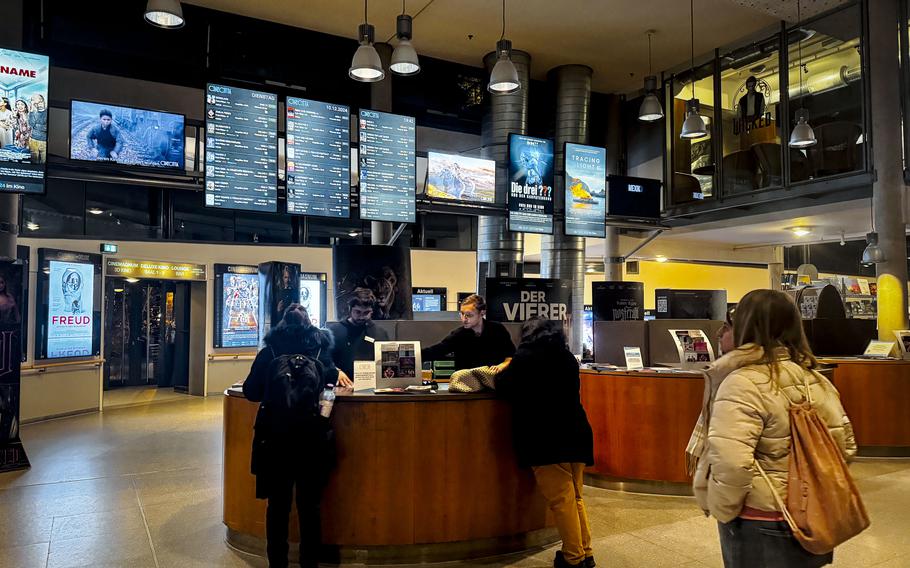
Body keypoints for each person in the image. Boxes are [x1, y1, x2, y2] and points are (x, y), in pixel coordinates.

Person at [699, 290, 856, 568]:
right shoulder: (817, 379)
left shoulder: (741, 383)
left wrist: (724, 510)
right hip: (813, 515)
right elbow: (845, 445)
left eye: (728, 325)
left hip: (760, 518)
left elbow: (732, 462)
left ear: (745, 327)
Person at [243, 304, 339, 568]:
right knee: (310, 507)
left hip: (274, 439)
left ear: (280, 324)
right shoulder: (321, 350)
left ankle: (278, 562)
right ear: (310, 323)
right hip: (311, 438)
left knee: (277, 506)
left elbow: (251, 392)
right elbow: (331, 387)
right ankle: (309, 563)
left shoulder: (269, 351)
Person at [495, 317, 595, 568]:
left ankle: (573, 558)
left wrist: (506, 366)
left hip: (547, 439)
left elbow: (503, 387)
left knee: (562, 501)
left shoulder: (525, 358)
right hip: (576, 433)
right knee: (575, 498)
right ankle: (585, 552)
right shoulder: (567, 358)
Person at [421, 294, 515, 372]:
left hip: (494, 384)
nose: (464, 319)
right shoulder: (459, 335)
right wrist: (414, 356)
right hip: (468, 386)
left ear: (482, 313)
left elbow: (511, 355)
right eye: (462, 314)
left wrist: (502, 365)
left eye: (469, 315)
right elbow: (437, 350)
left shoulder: (498, 330)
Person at [327, 288, 388, 386]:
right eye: (358, 312)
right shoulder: (334, 331)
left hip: (372, 387)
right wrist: (335, 371)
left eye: (366, 313)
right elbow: (324, 359)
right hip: (340, 387)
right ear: (350, 309)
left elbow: (387, 363)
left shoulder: (380, 333)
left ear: (372, 311)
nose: (361, 317)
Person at [27, 94, 47, 163]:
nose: (39, 104)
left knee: (43, 162)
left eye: (40, 101)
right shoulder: (33, 113)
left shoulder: (48, 112)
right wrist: (32, 110)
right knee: (34, 162)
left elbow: (46, 128)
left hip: (44, 141)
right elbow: (31, 125)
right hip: (33, 140)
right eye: (36, 103)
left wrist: (36, 126)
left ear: (43, 101)